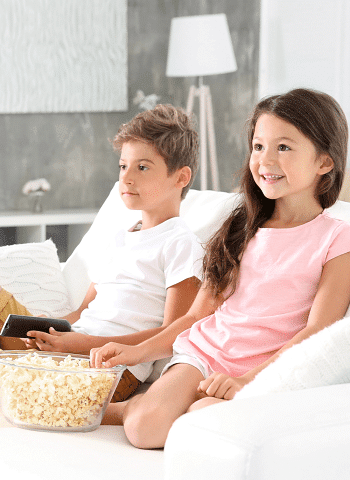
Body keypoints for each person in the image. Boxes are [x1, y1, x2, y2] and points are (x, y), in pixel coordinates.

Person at [90, 88, 350, 449]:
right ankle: (136, 407)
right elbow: (199, 315)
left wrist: (247, 381)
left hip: (262, 369)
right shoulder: (240, 227)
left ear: (324, 161)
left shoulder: (337, 238)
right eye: (258, 147)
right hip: (205, 352)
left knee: (206, 421)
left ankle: (157, 407)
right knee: (144, 430)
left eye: (284, 147)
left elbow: (318, 331)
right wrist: (138, 352)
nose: (266, 160)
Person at [0, 104, 203, 401]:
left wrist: (81, 344)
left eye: (142, 167)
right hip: (72, 350)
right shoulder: (119, 237)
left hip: (110, 367)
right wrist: (50, 329)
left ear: (181, 177)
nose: (127, 177)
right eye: (123, 166)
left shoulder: (180, 244)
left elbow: (172, 334)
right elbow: (82, 312)